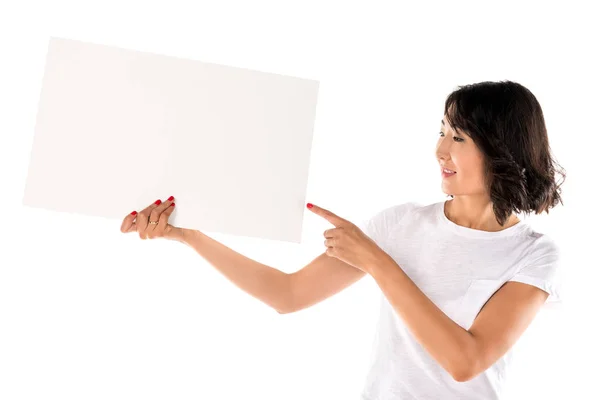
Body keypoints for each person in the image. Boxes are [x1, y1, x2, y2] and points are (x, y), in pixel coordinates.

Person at [119, 80, 566, 400]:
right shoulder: (399, 225)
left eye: (459, 137)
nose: (441, 150)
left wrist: (377, 262)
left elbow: (465, 361)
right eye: (442, 131)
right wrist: (189, 235)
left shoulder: (533, 255)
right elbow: (288, 294)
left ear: (502, 151)